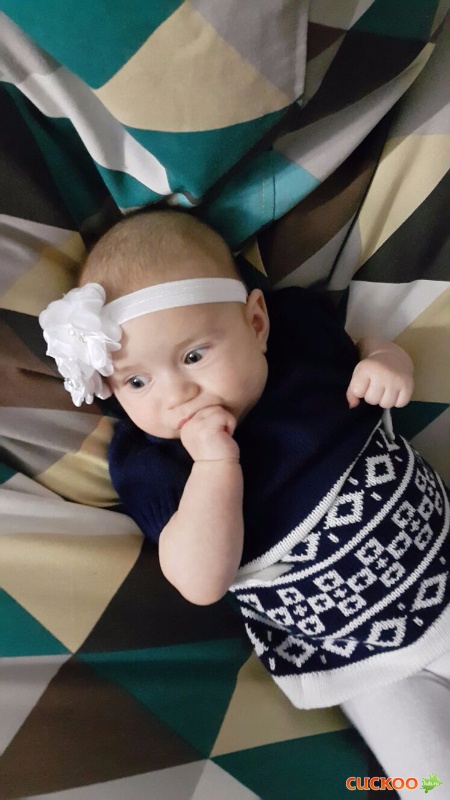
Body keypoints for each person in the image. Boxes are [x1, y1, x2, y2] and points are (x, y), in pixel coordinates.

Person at [40, 209, 450, 797]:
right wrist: (214, 467)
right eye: (136, 382)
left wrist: (387, 361)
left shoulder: (299, 342)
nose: (177, 394)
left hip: (443, 572)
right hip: (361, 665)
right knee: (428, 782)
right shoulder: (153, 462)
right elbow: (200, 580)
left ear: (256, 323)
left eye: (193, 356)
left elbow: (364, 344)